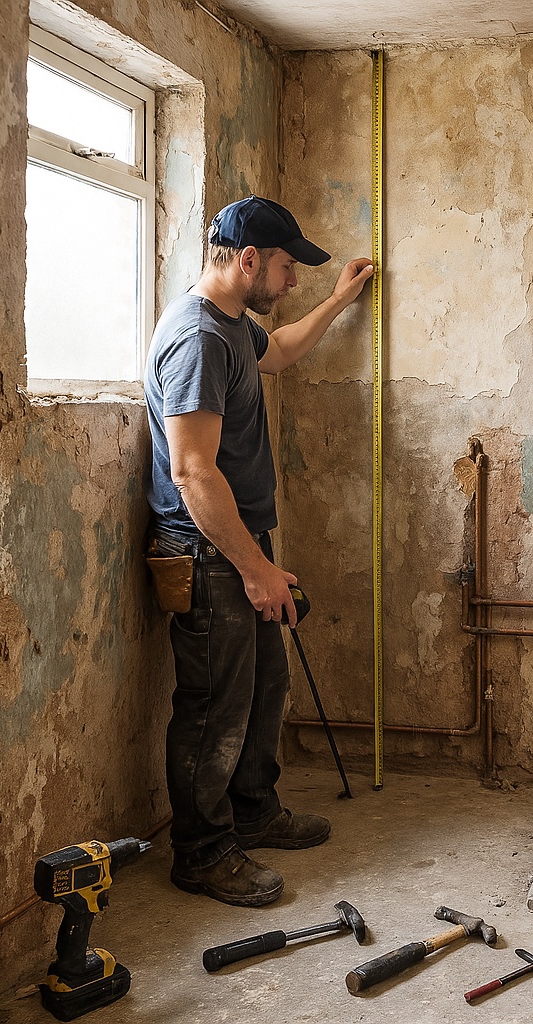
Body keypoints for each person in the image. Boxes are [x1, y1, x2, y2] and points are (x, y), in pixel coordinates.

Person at [143, 195, 373, 907]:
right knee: (215, 705)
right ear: (247, 262)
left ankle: (252, 810)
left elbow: (286, 350)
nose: (291, 280)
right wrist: (254, 568)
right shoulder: (199, 339)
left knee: (265, 684)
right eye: (285, 266)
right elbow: (191, 472)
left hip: (241, 548)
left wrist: (340, 301)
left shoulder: (235, 327)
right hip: (208, 554)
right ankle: (203, 853)